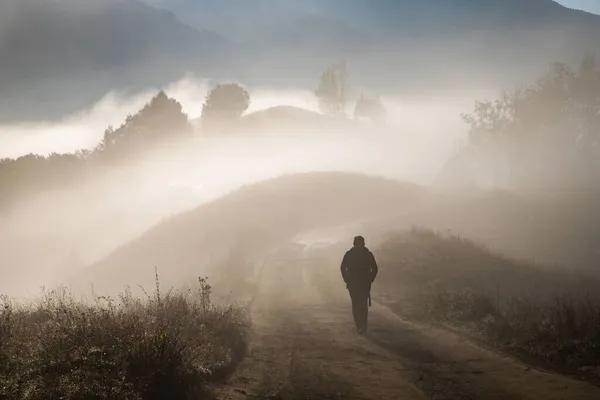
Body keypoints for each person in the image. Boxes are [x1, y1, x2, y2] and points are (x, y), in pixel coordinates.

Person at [340, 235, 378, 334]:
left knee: (362, 305)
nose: (359, 245)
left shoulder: (366, 254)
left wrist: (370, 279)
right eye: (358, 243)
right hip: (354, 283)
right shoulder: (351, 254)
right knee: (357, 304)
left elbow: (374, 268)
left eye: (360, 243)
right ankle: (359, 326)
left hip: (362, 283)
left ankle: (362, 326)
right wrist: (346, 279)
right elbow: (343, 267)